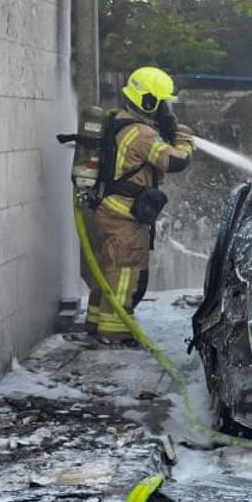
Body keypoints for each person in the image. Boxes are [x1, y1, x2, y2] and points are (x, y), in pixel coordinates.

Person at [82, 66, 195, 343]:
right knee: (125, 275)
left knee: (106, 272)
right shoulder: (142, 134)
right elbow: (175, 161)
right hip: (124, 216)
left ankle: (97, 324)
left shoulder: (120, 122)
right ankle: (116, 333)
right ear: (148, 101)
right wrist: (185, 140)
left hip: (107, 209)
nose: (167, 109)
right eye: (163, 102)